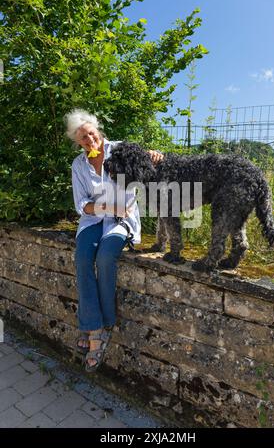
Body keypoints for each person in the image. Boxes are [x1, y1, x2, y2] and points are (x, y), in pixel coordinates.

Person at [65, 108, 163, 372]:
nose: (90, 140)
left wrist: (153, 155)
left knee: (106, 257)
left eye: (92, 134)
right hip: (93, 220)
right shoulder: (78, 165)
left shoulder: (119, 149)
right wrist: (106, 208)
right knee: (84, 259)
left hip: (122, 220)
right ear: (77, 141)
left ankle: (101, 324)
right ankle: (94, 328)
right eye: (83, 138)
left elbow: (147, 159)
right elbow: (81, 205)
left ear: (99, 131)